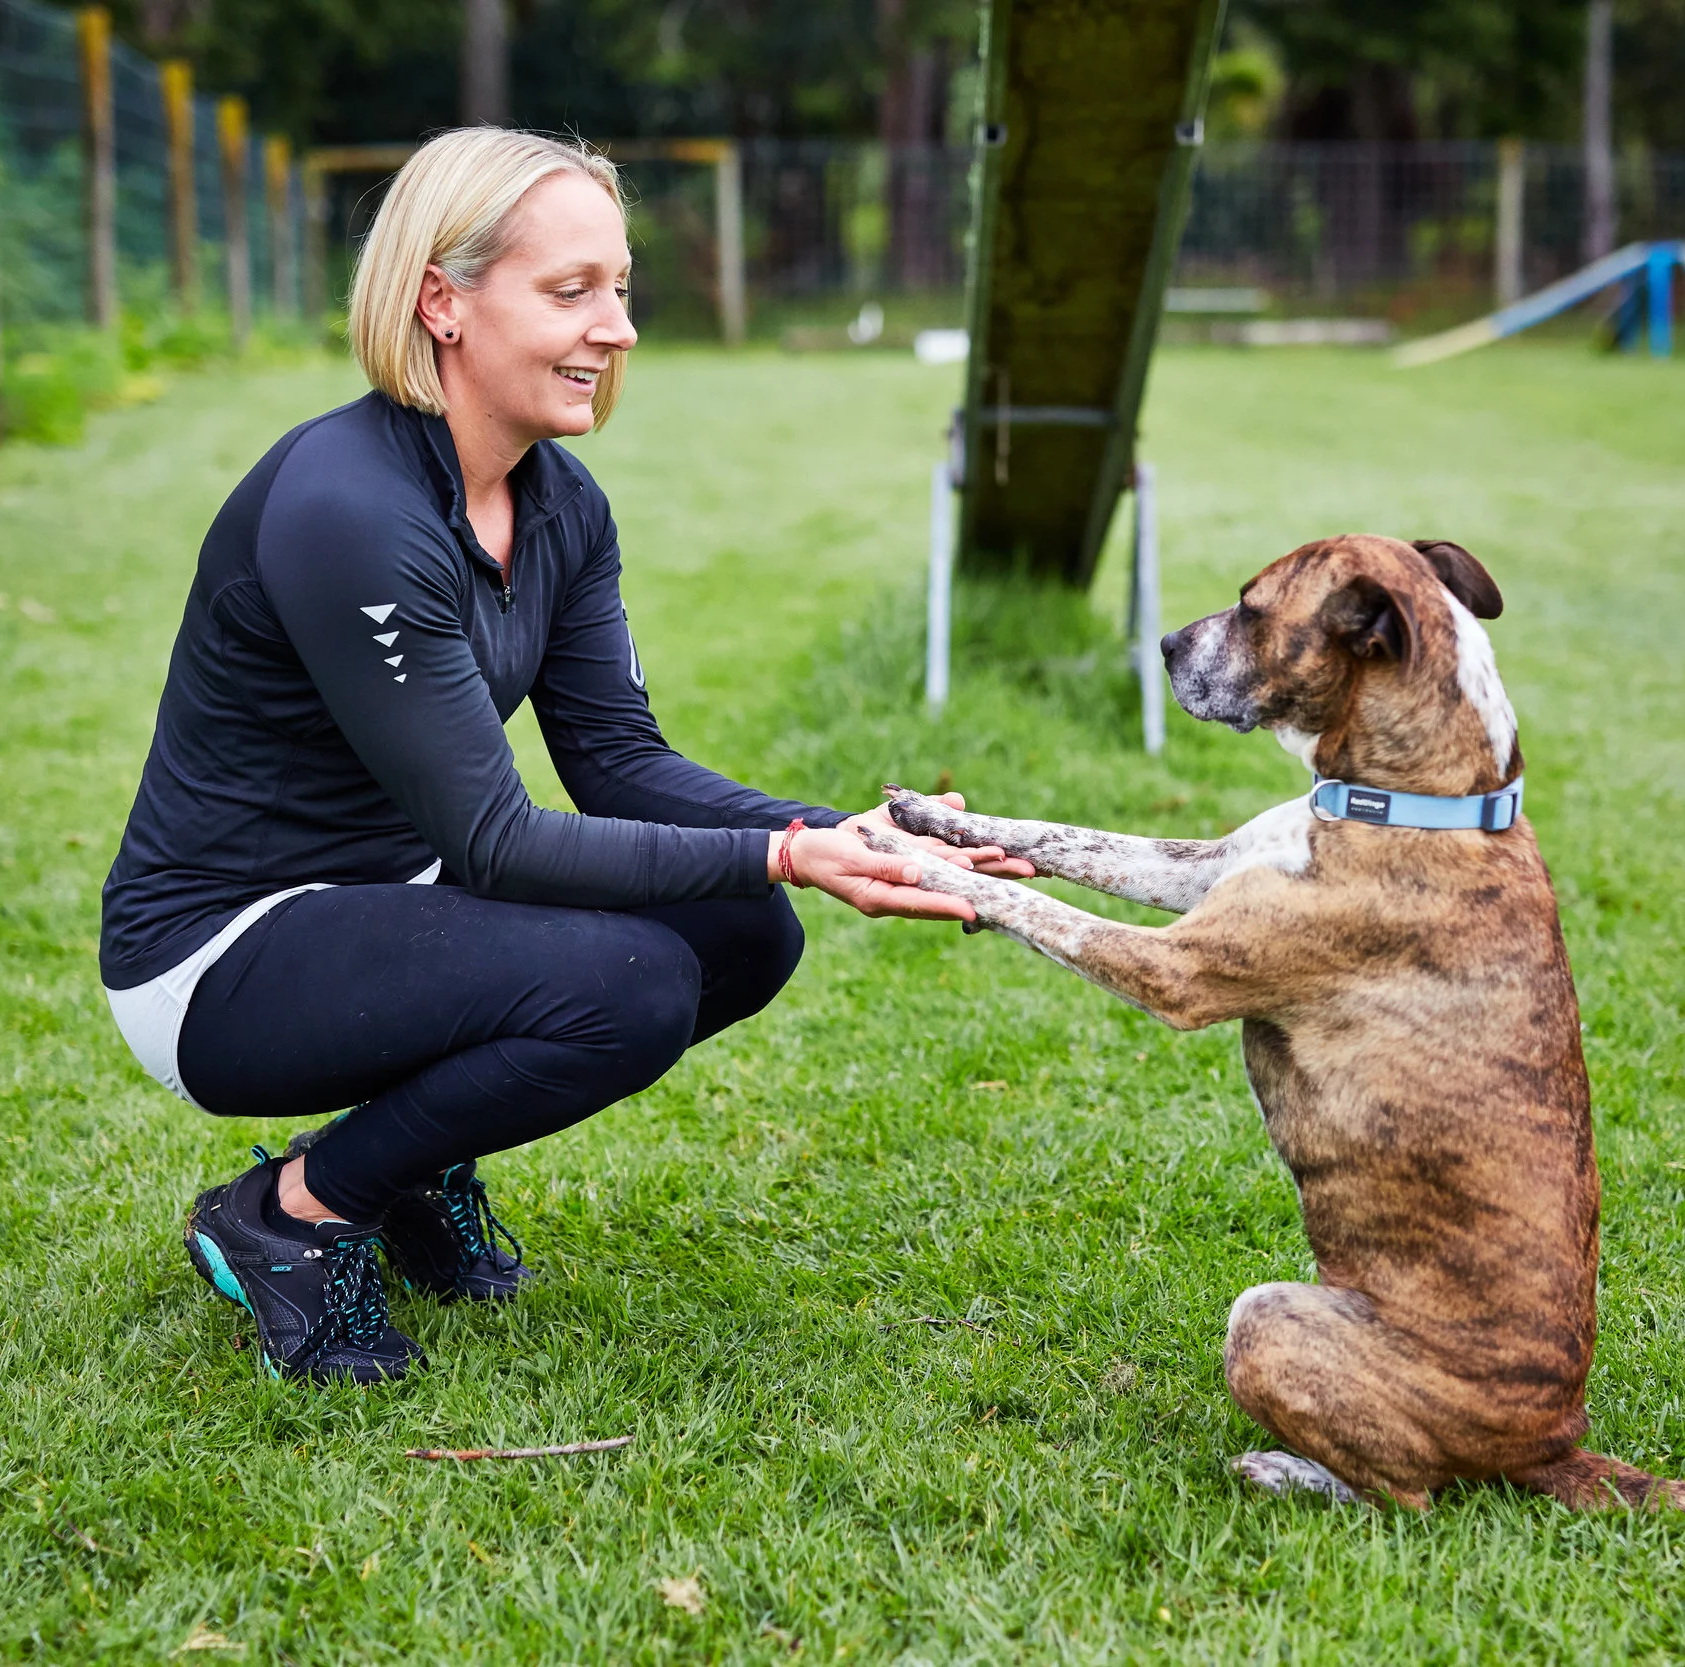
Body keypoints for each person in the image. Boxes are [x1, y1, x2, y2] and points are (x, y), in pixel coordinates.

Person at [99, 128, 1017, 1385]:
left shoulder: (559, 502)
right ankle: (292, 1217)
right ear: (444, 301)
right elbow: (496, 841)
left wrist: (850, 832)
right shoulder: (348, 507)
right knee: (633, 979)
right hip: (216, 953)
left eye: (621, 288)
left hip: (388, 904)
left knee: (744, 934)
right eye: (572, 290)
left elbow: (622, 763)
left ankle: (407, 1169)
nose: (620, 328)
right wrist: (791, 852)